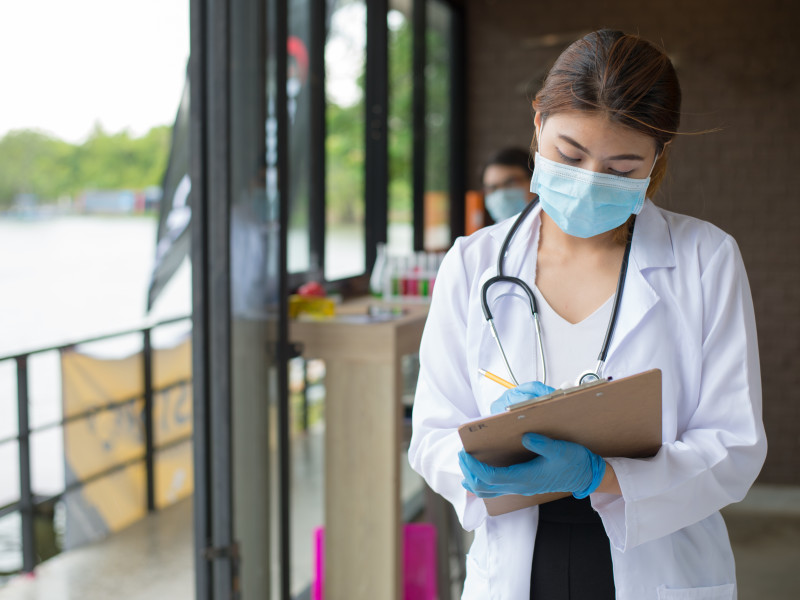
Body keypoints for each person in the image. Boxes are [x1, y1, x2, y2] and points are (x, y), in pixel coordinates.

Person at [408, 29, 766, 600]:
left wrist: (599, 475)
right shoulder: (473, 264)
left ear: (658, 158)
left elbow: (734, 445)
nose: (590, 181)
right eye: (569, 155)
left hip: (657, 557)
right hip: (516, 563)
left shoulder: (705, 260)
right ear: (537, 122)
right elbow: (431, 430)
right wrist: (471, 461)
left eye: (621, 170)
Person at [481, 147, 535, 223]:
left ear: (534, 181)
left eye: (511, 183)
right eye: (492, 188)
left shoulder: (554, 229)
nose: (501, 194)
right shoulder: (485, 234)